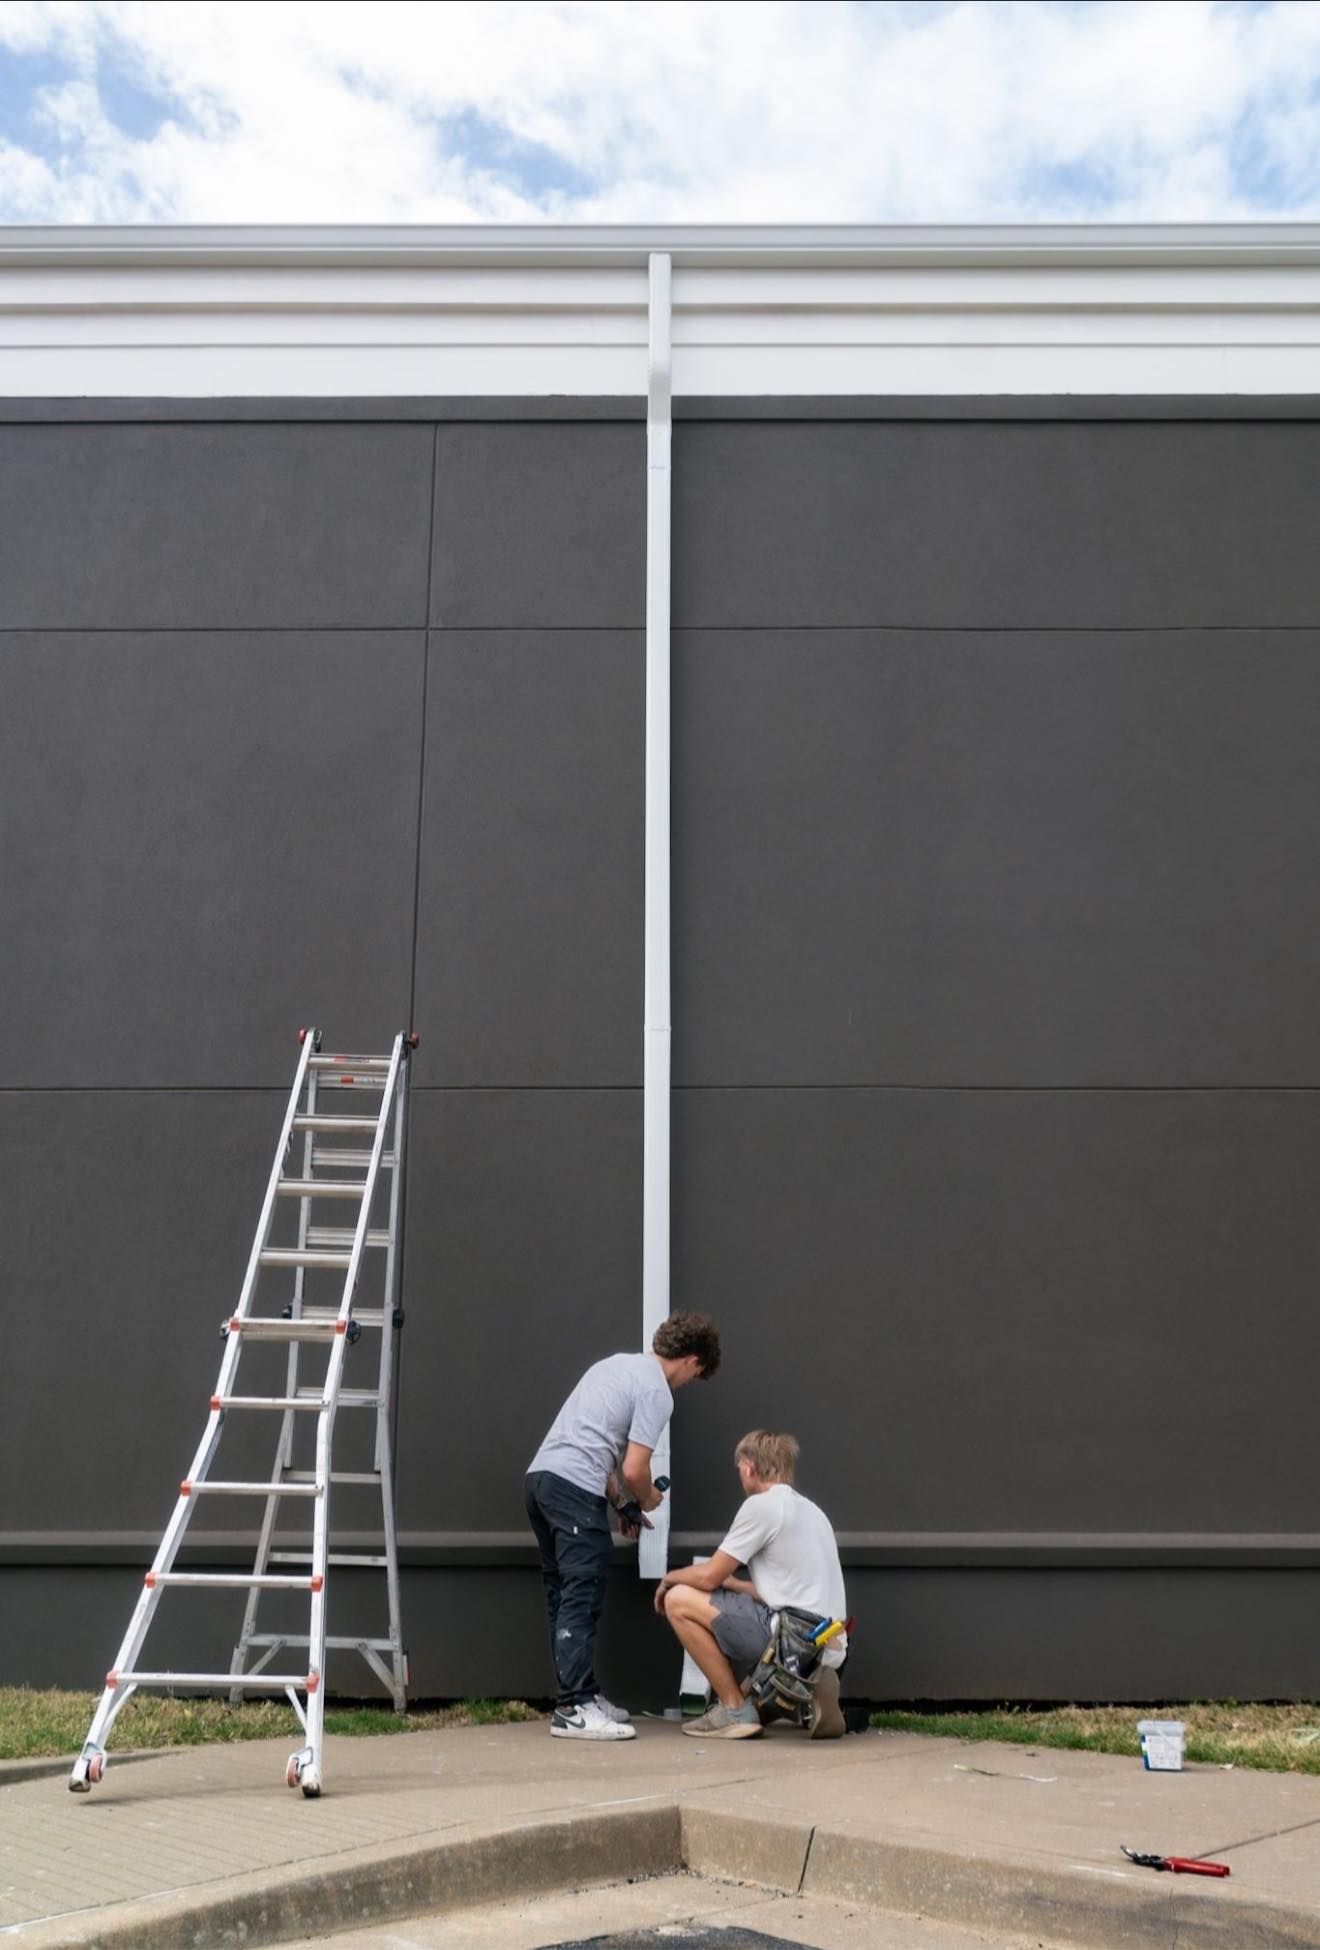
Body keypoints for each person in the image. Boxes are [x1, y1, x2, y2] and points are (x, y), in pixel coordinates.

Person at [524, 1310, 722, 1741]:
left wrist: (620, 1506)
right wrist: (646, 1497)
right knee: (583, 1594)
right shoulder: (657, 1391)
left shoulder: (613, 1365)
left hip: (542, 1482)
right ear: (691, 1360)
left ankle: (580, 1695)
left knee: (564, 1593)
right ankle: (573, 1708)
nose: (690, 1383)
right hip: (574, 1489)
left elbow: (599, 1450)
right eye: (697, 1374)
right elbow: (635, 1470)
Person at [653, 1429, 847, 1740]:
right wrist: (737, 1585)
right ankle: (799, 1694)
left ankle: (732, 1709)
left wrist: (668, 1579)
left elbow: (708, 1576)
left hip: (788, 1637)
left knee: (678, 1599)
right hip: (827, 1644)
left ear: (748, 1466)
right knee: (753, 1702)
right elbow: (790, 1591)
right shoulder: (814, 1513)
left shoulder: (762, 1506)